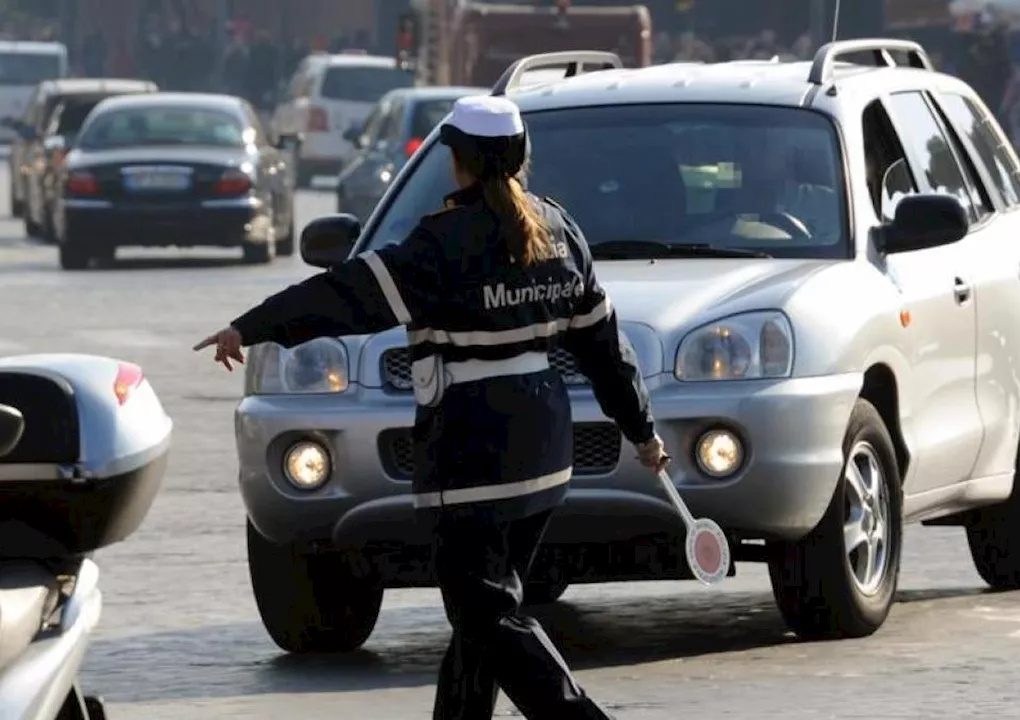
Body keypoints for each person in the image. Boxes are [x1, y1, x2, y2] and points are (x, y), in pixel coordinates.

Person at [193, 95, 669, 719]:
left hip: (473, 452)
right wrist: (641, 430)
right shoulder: (560, 230)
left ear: (458, 161)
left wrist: (253, 326)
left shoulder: (443, 241)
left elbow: (345, 296)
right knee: (485, 618)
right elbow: (607, 350)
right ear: (522, 156)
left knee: (486, 613)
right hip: (547, 453)